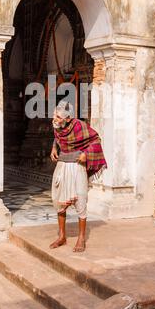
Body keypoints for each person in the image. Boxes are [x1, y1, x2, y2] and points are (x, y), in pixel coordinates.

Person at [50, 100, 107, 252]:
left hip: (77, 167)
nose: (54, 118)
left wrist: (86, 154)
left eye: (58, 116)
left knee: (80, 200)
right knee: (59, 201)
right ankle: (62, 236)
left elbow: (96, 140)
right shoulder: (58, 126)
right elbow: (58, 138)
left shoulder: (79, 126)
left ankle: (81, 238)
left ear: (68, 119)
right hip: (62, 166)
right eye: (54, 115)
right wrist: (54, 148)